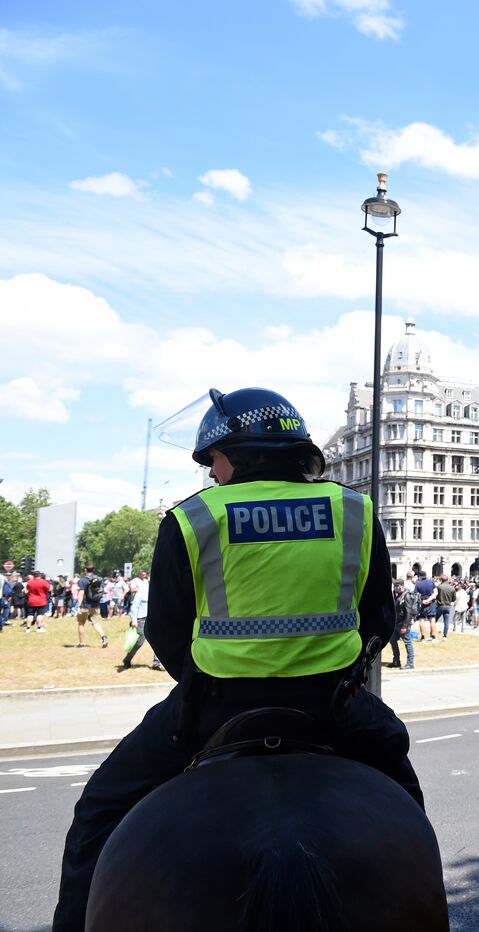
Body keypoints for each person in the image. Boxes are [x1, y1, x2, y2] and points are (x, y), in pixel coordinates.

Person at [52, 387, 423, 932]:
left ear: (237, 452)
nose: (210, 472)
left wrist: (206, 678)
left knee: (99, 812)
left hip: (214, 707)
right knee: (405, 802)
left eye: (212, 459)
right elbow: (380, 620)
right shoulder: (354, 510)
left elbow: (168, 630)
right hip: (333, 707)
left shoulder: (192, 518)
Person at [118, 571, 163, 672]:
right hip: (141, 619)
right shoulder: (142, 591)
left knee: (158, 641)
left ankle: (157, 663)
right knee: (140, 641)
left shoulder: (159, 592)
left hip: (153, 619)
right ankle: (127, 659)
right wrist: (134, 620)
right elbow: (135, 606)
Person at [74, 565, 111, 648]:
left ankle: (82, 643)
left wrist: (79, 606)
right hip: (95, 604)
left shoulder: (82, 580)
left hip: (85, 605)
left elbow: (81, 593)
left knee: (81, 623)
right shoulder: (99, 579)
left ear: (85, 570)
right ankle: (103, 637)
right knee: (95, 623)